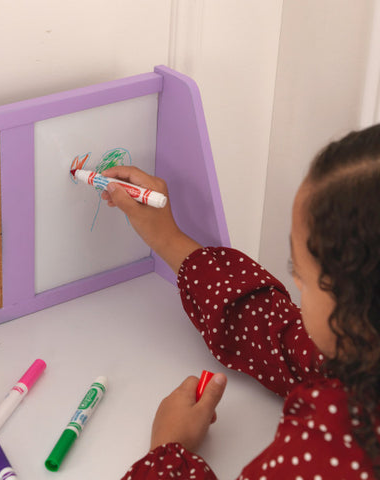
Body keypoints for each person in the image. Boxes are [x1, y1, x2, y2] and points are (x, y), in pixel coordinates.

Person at [101, 124, 380, 479]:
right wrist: (167, 238)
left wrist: (167, 454)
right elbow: (287, 342)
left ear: (355, 313)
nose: (294, 282)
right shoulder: (361, 351)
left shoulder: (332, 454)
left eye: (302, 275)